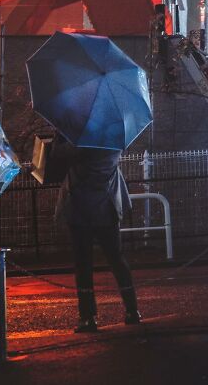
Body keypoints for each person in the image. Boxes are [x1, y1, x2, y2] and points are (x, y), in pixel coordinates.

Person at [51, 136, 142, 332]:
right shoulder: (114, 141)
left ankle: (87, 317)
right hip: (107, 207)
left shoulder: (82, 142)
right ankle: (132, 310)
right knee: (117, 259)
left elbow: (57, 153)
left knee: (83, 264)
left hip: (80, 209)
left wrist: (59, 134)